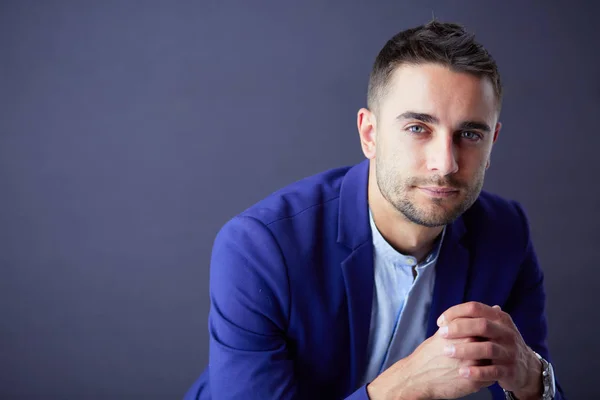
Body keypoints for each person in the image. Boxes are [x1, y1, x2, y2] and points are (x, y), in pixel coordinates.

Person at [184, 20, 566, 400]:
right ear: (370, 134)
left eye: (469, 134)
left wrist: (531, 377)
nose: (445, 163)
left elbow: (537, 387)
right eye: (418, 128)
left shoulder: (506, 234)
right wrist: (406, 387)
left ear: (492, 141)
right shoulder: (260, 248)